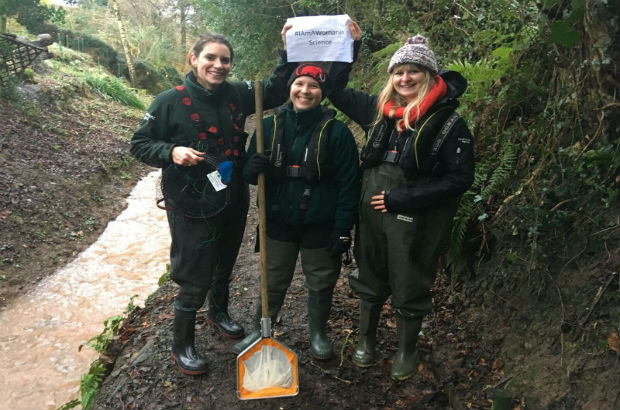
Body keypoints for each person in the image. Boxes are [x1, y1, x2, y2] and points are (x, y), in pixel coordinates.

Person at [130, 29, 296, 375]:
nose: (218, 65)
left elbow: (277, 89)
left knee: (226, 256)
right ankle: (183, 344)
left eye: (225, 60)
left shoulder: (237, 94)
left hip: (232, 192)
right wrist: (171, 151)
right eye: (210, 58)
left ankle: (218, 312)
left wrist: (286, 49)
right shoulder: (167, 101)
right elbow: (139, 144)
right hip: (190, 200)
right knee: (193, 266)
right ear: (193, 59)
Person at [329, 34, 475, 379]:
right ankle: (365, 340)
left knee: (410, 280)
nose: (405, 79)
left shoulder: (450, 123)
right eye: (398, 72)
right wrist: (351, 46)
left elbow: (459, 180)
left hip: (417, 219)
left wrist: (402, 199)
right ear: (390, 77)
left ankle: (407, 350)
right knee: (370, 275)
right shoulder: (376, 112)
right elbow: (334, 88)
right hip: (371, 216)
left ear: (430, 75)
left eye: (414, 71)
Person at [231, 62, 360, 360]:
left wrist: (343, 228)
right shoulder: (268, 127)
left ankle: (318, 332)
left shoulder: (338, 133)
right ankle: (260, 327)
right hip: (277, 217)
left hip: (320, 222)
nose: (305, 91)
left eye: (313, 86)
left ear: (322, 92)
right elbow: (248, 174)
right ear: (290, 88)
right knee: (273, 278)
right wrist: (252, 168)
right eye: (299, 84)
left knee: (321, 280)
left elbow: (349, 184)